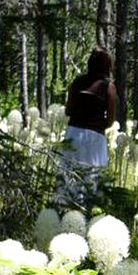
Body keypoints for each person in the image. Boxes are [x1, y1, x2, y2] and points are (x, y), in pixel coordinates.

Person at [59, 47, 117, 206]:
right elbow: (110, 120)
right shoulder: (108, 87)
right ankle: (88, 209)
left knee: (68, 177)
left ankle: (65, 208)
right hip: (94, 138)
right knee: (92, 178)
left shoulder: (77, 82)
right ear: (107, 66)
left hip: (73, 133)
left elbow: (68, 111)